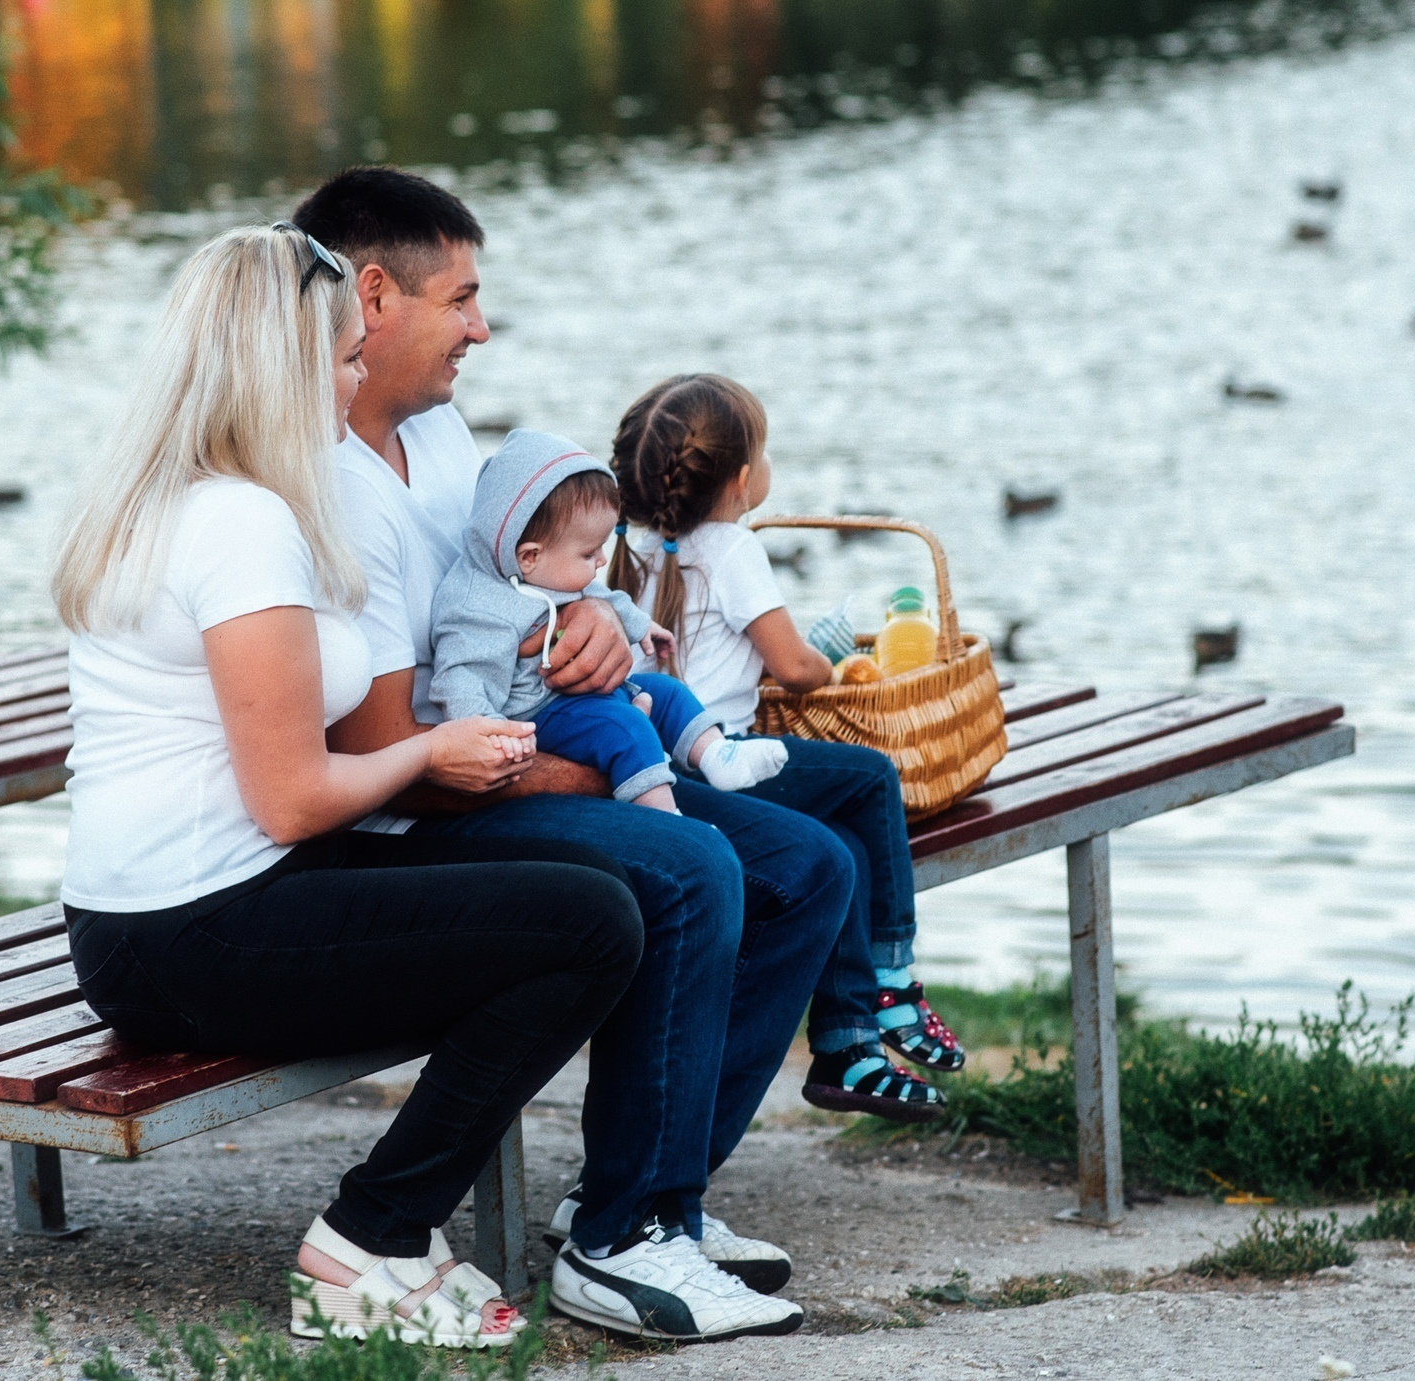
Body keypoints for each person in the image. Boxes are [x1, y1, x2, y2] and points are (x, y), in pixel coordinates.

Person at [50, 223, 643, 1349]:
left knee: (572, 874)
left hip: (155, 911)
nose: (355, 370)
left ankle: (400, 1237)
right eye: (336, 353)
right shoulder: (239, 523)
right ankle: (370, 1235)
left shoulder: (176, 495)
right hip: (196, 927)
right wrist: (429, 750)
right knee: (586, 922)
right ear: (279, 365)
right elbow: (293, 799)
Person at [301, 167, 848, 1343]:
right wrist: (607, 768)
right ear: (375, 295)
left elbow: (531, 565)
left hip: (530, 735)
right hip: (418, 803)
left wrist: (593, 613)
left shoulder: (439, 434)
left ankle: (659, 1197)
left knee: (810, 866)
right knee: (689, 865)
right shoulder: (327, 485)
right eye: (463, 299)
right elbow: (398, 745)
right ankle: (617, 1241)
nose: (481, 328)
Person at [609, 374, 968, 1124]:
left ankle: (846, 1040)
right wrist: (829, 660)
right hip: (720, 755)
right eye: (763, 450)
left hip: (654, 756)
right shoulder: (734, 548)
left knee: (839, 839)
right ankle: (896, 978)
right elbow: (796, 668)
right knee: (869, 777)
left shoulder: (632, 552)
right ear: (741, 480)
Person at [429, 429, 794, 811]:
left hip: (577, 700)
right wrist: (493, 733)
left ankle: (719, 755)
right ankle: (666, 817)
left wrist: (641, 626)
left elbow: (605, 598)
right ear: (529, 556)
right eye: (590, 553)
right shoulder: (477, 609)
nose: (601, 561)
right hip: (537, 716)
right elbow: (460, 678)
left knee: (665, 692)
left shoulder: (551, 570)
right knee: (627, 729)